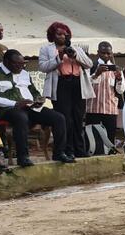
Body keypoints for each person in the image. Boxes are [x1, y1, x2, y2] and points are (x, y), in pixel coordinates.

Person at [0, 49, 71, 166]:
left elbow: (33, 91)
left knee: (58, 117)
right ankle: (23, 157)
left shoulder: (24, 73)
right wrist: (16, 103)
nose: (21, 67)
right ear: (6, 62)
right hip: (7, 109)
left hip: (30, 107)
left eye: (23, 64)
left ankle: (59, 153)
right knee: (21, 117)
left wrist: (39, 99)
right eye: (17, 64)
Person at [39, 22, 95, 158]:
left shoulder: (76, 48)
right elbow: (43, 67)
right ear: (52, 35)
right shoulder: (46, 49)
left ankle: (80, 150)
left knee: (78, 118)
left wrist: (75, 55)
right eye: (59, 34)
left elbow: (89, 64)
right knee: (65, 119)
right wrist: (58, 57)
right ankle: (66, 150)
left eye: (65, 34)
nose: (62, 36)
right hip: (61, 84)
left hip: (77, 84)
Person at [85, 42, 124, 147]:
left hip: (110, 109)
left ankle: (109, 156)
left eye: (108, 53)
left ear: (112, 53)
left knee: (110, 137)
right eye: (103, 53)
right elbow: (84, 84)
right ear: (98, 53)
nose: (106, 56)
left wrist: (119, 79)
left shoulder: (117, 69)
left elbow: (120, 91)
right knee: (92, 136)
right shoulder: (90, 66)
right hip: (93, 108)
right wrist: (96, 74)